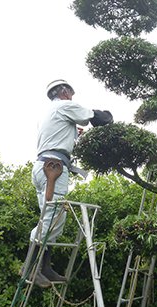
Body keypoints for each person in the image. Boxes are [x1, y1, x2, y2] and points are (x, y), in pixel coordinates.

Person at [29, 79, 113, 288]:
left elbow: (59, 135)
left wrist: (74, 133)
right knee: (52, 218)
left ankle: (45, 267)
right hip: (54, 170)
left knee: (52, 217)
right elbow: (93, 117)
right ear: (64, 92)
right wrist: (106, 116)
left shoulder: (50, 112)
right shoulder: (63, 105)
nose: (72, 98)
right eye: (71, 94)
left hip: (44, 167)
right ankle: (31, 268)